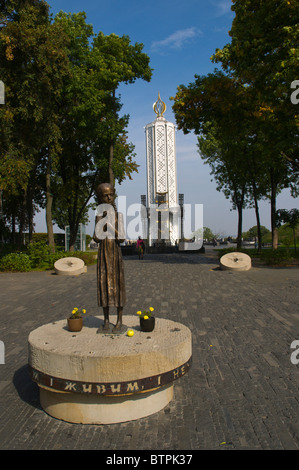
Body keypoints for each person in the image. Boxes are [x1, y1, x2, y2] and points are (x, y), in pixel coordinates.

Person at [93, 183, 126, 332]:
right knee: (104, 284)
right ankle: (106, 320)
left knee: (118, 286)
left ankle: (119, 320)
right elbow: (96, 237)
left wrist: (109, 225)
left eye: (111, 194)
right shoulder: (99, 215)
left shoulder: (119, 216)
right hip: (103, 253)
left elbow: (121, 238)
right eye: (105, 195)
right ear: (100, 197)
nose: (109, 198)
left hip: (115, 252)